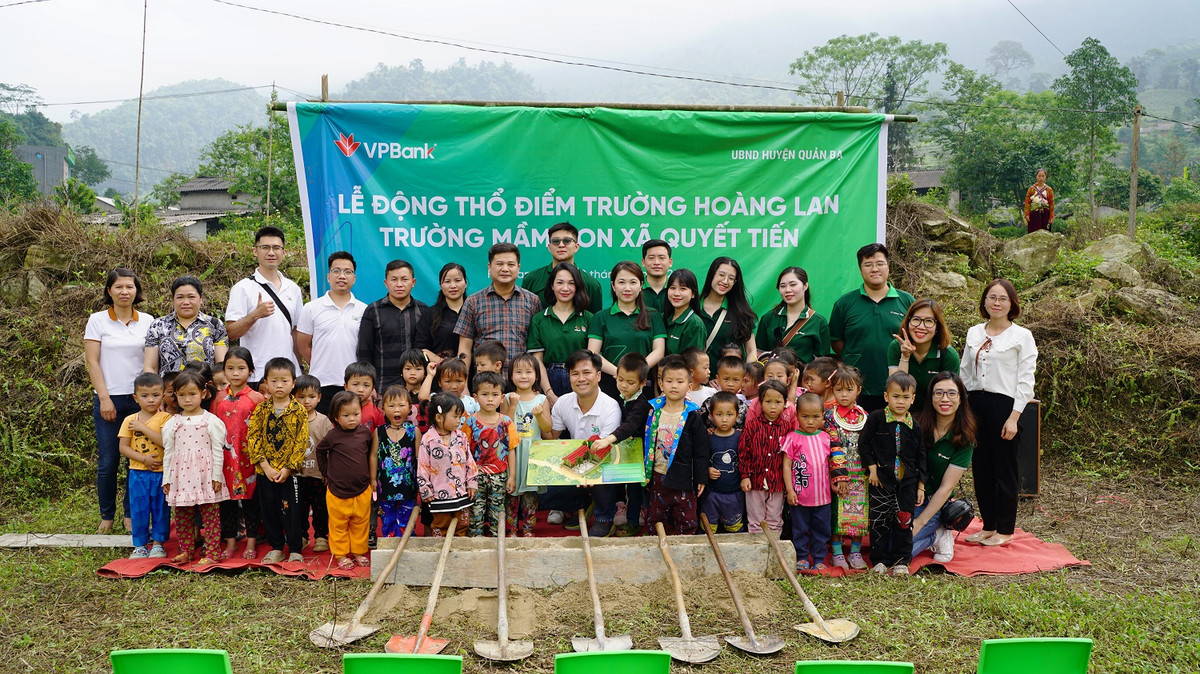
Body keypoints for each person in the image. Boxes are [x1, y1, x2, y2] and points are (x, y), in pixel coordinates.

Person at [961, 279, 1037, 548]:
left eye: (1003, 298)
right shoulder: (973, 333)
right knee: (981, 468)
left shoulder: (1021, 336)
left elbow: (1026, 382)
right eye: (992, 297)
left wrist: (1014, 418)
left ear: (1012, 304)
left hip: (1005, 408)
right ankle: (988, 525)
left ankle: (1005, 530)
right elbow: (965, 374)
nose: (996, 302)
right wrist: (963, 410)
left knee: (1005, 470)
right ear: (984, 301)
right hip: (975, 405)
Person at [85, 269, 155, 534]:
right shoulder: (97, 320)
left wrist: (146, 399)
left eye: (129, 287)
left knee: (135, 460)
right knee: (108, 460)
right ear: (109, 291)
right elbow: (92, 361)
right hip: (109, 397)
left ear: (137, 291)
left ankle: (130, 514)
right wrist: (104, 398)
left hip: (139, 400)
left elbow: (150, 360)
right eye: (118, 287)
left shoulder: (148, 321)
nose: (124, 292)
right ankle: (106, 515)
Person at [830, 243, 914, 412]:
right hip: (856, 388)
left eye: (880, 264)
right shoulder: (845, 303)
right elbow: (837, 342)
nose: (874, 269)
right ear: (861, 270)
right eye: (868, 265)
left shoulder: (906, 301)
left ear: (888, 267)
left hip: (897, 388)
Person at [547, 350, 623, 536]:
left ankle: (604, 515)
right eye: (575, 373)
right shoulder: (563, 402)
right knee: (543, 494)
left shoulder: (610, 406)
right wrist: (541, 417)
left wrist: (584, 473)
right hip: (577, 464)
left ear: (598, 375)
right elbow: (551, 438)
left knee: (604, 475)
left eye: (586, 372)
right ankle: (582, 503)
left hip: (603, 462)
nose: (581, 379)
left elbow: (604, 450)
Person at [861, 371, 926, 575]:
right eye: (896, 396)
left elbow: (921, 456)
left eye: (906, 397)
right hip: (880, 480)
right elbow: (864, 444)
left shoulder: (914, 425)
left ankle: (901, 561)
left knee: (904, 520)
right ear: (886, 396)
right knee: (879, 520)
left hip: (907, 482)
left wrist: (920, 486)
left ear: (913, 399)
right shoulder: (876, 418)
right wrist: (871, 468)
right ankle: (879, 560)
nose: (900, 402)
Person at [161, 369, 228, 566]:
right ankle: (186, 550)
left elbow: (218, 450)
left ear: (203, 393)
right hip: (181, 477)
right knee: (182, 515)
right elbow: (169, 453)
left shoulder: (212, 421)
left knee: (210, 516)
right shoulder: (172, 423)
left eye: (192, 394)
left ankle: (213, 552)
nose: (187, 399)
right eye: (182, 395)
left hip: (205, 476)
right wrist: (167, 478)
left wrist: (216, 476)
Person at [246, 358, 309, 564]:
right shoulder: (261, 410)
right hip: (266, 471)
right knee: (269, 508)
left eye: (284, 381)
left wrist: (288, 468)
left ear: (293, 382)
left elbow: (301, 441)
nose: (279, 386)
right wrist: (264, 465)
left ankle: (295, 548)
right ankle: (275, 547)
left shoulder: (298, 410)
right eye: (274, 381)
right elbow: (253, 437)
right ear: (266, 383)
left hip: (289, 473)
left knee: (292, 509)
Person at [225, 226, 303, 385]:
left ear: (284, 252)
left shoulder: (293, 289)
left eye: (276, 248)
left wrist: (299, 366)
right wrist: (255, 315)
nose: (271, 252)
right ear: (255, 251)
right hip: (256, 374)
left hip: (287, 374)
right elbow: (230, 333)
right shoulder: (242, 288)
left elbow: (295, 332)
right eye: (265, 247)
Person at [641, 355, 710, 536]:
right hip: (658, 474)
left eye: (679, 381)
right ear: (661, 384)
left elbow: (701, 450)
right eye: (669, 381)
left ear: (689, 386)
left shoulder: (693, 415)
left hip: (684, 476)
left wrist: (701, 477)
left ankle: (685, 547)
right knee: (656, 514)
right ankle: (656, 545)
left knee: (685, 516)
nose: (674, 385)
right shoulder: (653, 411)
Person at [912, 372, 976, 563]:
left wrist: (920, 522)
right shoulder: (916, 424)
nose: (944, 399)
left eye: (951, 393)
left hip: (936, 503)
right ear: (930, 397)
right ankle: (931, 535)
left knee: (900, 552)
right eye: (938, 393)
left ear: (961, 399)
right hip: (911, 496)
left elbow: (945, 488)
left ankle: (938, 535)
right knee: (884, 546)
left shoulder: (964, 439)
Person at [588, 353, 653, 536]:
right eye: (621, 379)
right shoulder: (623, 396)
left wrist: (608, 439)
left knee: (635, 490)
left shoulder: (641, 403)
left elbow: (630, 425)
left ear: (642, 383)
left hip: (640, 453)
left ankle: (634, 522)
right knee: (625, 487)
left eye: (630, 383)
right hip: (627, 450)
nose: (624, 385)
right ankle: (623, 514)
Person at [783, 392, 848, 572]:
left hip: (823, 497)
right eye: (805, 417)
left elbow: (830, 464)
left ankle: (819, 557)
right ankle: (802, 557)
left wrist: (835, 481)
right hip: (800, 497)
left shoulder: (826, 438)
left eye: (815, 417)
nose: (810, 421)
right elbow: (787, 465)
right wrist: (790, 490)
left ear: (822, 417)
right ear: (797, 416)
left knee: (822, 530)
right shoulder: (792, 438)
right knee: (800, 529)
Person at [296, 251, 367, 413]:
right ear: (328, 277)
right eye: (336, 271)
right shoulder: (312, 308)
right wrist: (321, 363)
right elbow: (303, 345)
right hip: (321, 383)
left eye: (347, 272)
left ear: (354, 279)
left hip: (352, 385)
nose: (342, 276)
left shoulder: (364, 310)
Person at [211, 347, 265, 560]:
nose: (235, 373)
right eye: (230, 368)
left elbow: (262, 428)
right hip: (225, 459)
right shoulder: (219, 399)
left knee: (252, 500)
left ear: (250, 371)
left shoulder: (257, 397)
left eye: (241, 368)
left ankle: (251, 542)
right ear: (224, 371)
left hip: (249, 458)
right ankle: (231, 541)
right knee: (227, 502)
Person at [456, 243, 541, 372]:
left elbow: (537, 348)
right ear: (489, 267)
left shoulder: (532, 301)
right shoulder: (473, 301)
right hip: (485, 383)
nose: (505, 269)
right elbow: (465, 346)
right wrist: (464, 381)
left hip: (522, 380)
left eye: (511, 265)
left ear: (518, 268)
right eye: (499, 264)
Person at [315, 390, 377, 569]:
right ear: (336, 416)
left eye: (356, 414)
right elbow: (320, 450)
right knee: (338, 525)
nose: (352, 419)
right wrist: (326, 472)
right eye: (346, 415)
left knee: (361, 523)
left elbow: (369, 456)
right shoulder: (333, 436)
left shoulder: (365, 434)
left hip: (361, 488)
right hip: (337, 491)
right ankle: (341, 555)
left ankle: (358, 551)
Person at [587, 261, 666, 399]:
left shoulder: (653, 315)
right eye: (621, 282)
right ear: (613, 285)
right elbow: (593, 353)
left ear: (641, 285)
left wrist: (637, 373)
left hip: (643, 384)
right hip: (610, 384)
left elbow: (659, 351)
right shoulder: (600, 317)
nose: (627, 288)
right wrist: (621, 374)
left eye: (633, 282)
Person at [118, 372, 171, 559]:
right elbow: (123, 447)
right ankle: (140, 544)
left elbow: (166, 442)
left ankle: (158, 544)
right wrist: (144, 459)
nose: (151, 400)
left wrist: (143, 428)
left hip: (161, 473)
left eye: (156, 395)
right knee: (139, 508)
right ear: (135, 397)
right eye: (145, 396)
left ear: (163, 396)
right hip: (137, 472)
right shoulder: (129, 420)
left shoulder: (166, 418)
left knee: (160, 507)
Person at [356, 259, 428, 393]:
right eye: (394, 279)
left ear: (413, 282)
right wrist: (369, 386)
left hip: (418, 390)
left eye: (404, 279)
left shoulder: (423, 310)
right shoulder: (373, 311)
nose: (399, 284)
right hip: (382, 388)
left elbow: (427, 351)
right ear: (386, 283)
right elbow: (364, 353)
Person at [824, 366, 870, 570]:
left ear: (858, 390)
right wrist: (839, 476)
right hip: (837, 474)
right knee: (837, 513)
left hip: (860, 474)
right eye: (839, 389)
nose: (843, 395)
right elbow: (833, 446)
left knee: (858, 513)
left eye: (849, 390)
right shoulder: (829, 417)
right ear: (832, 390)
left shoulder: (864, 416)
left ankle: (856, 551)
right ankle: (836, 552)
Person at [738, 379, 797, 534]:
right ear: (760, 403)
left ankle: (773, 552)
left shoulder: (787, 428)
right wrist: (745, 476)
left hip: (777, 482)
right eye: (768, 401)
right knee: (755, 519)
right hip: (754, 480)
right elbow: (744, 452)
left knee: (774, 520)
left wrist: (788, 483)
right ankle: (757, 553)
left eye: (777, 402)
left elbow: (790, 457)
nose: (772, 406)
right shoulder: (752, 426)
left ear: (785, 403)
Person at [527, 262, 593, 398]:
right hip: (549, 380)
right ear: (552, 285)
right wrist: (549, 393)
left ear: (578, 286)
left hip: (580, 379)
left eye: (571, 283)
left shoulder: (588, 318)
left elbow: (593, 357)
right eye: (560, 283)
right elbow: (537, 360)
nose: (565, 288)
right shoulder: (539, 319)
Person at [464, 372, 518, 537]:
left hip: (499, 475)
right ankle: (476, 541)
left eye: (494, 395)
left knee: (498, 510)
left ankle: (497, 539)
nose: (489, 399)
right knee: (476, 511)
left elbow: (511, 449)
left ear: (502, 398)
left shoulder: (507, 422)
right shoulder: (470, 421)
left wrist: (512, 476)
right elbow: (464, 451)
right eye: (484, 394)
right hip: (476, 476)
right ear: (475, 397)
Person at [417, 392, 477, 536]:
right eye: (455, 416)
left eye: (460, 417)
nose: (459, 420)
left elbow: (470, 461)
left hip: (461, 493)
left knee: (462, 525)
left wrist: (472, 483)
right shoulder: (428, 439)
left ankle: (460, 551)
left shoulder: (461, 436)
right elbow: (422, 466)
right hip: (438, 495)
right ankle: (441, 553)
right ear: (439, 417)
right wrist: (425, 489)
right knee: (440, 526)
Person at [143, 276, 228, 376]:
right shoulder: (158, 325)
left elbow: (221, 366)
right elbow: (150, 367)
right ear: (173, 299)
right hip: (168, 389)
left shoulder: (215, 324)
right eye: (180, 297)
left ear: (200, 299)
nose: (186, 302)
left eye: (191, 297)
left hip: (204, 389)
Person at [889, 298, 960, 414]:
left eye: (929, 321)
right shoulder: (896, 347)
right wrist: (905, 357)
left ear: (937, 326)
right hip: (902, 414)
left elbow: (950, 399)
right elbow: (897, 391)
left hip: (935, 416)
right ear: (908, 322)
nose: (921, 326)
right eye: (916, 320)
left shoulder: (947, 355)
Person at [505, 354, 550, 536]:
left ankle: (528, 530)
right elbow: (504, 424)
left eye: (528, 372)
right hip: (513, 453)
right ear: (510, 375)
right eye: (518, 372)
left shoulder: (541, 400)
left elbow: (548, 428)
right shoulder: (507, 397)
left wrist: (539, 416)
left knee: (531, 497)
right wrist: (513, 405)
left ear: (536, 376)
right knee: (511, 495)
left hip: (533, 454)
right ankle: (512, 530)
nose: (523, 376)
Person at [520, 222, 604, 314]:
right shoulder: (532, 279)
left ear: (576, 247)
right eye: (555, 241)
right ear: (549, 247)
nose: (561, 245)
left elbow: (595, 322)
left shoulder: (591, 284)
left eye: (567, 241)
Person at [756, 267, 830, 366]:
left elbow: (823, 363)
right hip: (773, 379)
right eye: (782, 286)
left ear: (805, 286)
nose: (787, 290)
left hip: (803, 379)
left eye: (793, 284)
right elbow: (759, 352)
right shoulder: (769, 317)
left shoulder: (818, 321)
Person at [294, 374, 334, 554]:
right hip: (298, 474)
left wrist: (328, 472)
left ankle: (321, 536)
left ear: (319, 397)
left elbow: (331, 449)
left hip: (319, 475)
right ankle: (301, 536)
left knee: (320, 508)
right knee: (299, 509)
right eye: (301, 397)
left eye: (311, 397)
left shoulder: (324, 421)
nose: (306, 401)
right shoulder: (291, 419)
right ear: (293, 397)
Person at [376, 386, 420, 538]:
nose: (396, 410)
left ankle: (407, 544)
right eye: (391, 405)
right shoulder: (379, 431)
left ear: (409, 408)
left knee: (407, 519)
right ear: (383, 409)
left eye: (401, 405)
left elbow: (419, 457)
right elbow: (373, 456)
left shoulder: (413, 431)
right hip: (385, 485)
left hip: (408, 485)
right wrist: (372, 479)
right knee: (387, 518)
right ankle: (390, 544)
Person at [698, 257, 757, 366]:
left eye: (731, 278)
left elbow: (752, 351)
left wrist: (744, 374)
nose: (725, 281)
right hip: (697, 380)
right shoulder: (694, 306)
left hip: (729, 381)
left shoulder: (741, 311)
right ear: (712, 274)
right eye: (721, 275)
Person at [701, 391, 745, 532]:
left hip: (734, 493)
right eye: (719, 415)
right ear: (711, 415)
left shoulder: (741, 437)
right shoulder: (708, 437)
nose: (724, 419)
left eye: (729, 414)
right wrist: (707, 469)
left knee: (734, 527)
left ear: (737, 415)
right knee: (708, 527)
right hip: (711, 494)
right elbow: (701, 458)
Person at [415, 263, 467, 360]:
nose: (453, 286)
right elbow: (421, 349)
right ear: (440, 285)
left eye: (458, 280)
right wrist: (444, 365)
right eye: (447, 281)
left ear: (465, 283)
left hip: (473, 372)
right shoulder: (429, 314)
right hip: (440, 372)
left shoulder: (474, 311)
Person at [663, 269, 707, 356]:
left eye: (683, 289)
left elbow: (692, 362)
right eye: (672, 288)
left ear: (693, 294)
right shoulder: (663, 317)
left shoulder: (694, 324)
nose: (676, 293)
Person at [701, 356, 748, 432]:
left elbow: (747, 429)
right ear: (718, 379)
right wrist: (705, 430)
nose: (730, 384)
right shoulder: (708, 403)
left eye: (735, 380)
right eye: (726, 379)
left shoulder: (743, 407)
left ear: (743, 381)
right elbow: (698, 425)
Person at [344, 362, 386, 432]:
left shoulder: (376, 411)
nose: (360, 390)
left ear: (372, 389)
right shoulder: (340, 408)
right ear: (346, 386)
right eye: (355, 384)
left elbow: (380, 435)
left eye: (366, 385)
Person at [641, 239, 673, 314]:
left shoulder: (676, 290)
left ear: (670, 262)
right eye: (651, 258)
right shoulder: (636, 289)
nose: (656, 262)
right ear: (643, 262)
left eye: (662, 258)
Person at [1024, 169, 1055, 234]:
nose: (1041, 178)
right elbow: (1027, 202)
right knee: (1033, 233)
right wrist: (1027, 214)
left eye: (1043, 176)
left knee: (1045, 234)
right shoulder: (1031, 189)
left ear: (1045, 177)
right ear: (1036, 177)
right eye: (1039, 176)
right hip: (1034, 214)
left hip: (1045, 214)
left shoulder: (1049, 190)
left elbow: (1051, 203)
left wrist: (1051, 216)